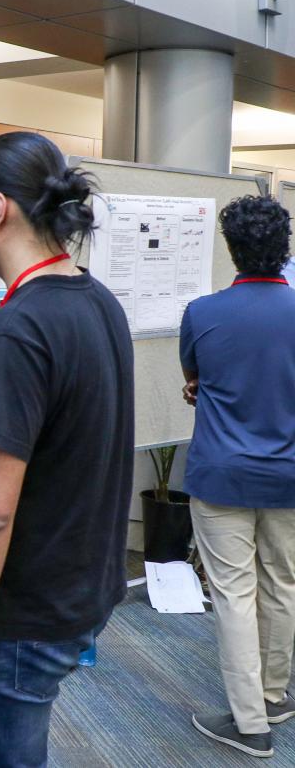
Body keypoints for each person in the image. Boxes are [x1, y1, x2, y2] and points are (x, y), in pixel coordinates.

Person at [0, 132, 134, 768]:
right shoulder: (94, 300)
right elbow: (53, 422)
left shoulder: (16, 334)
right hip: (71, 593)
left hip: (11, 622)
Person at [181, 195, 295, 759]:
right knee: (283, 583)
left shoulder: (202, 313)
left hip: (221, 475)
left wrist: (202, 389)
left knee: (233, 594)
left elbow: (195, 377)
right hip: (290, 475)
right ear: (285, 247)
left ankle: (250, 724)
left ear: (231, 249)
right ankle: (273, 697)